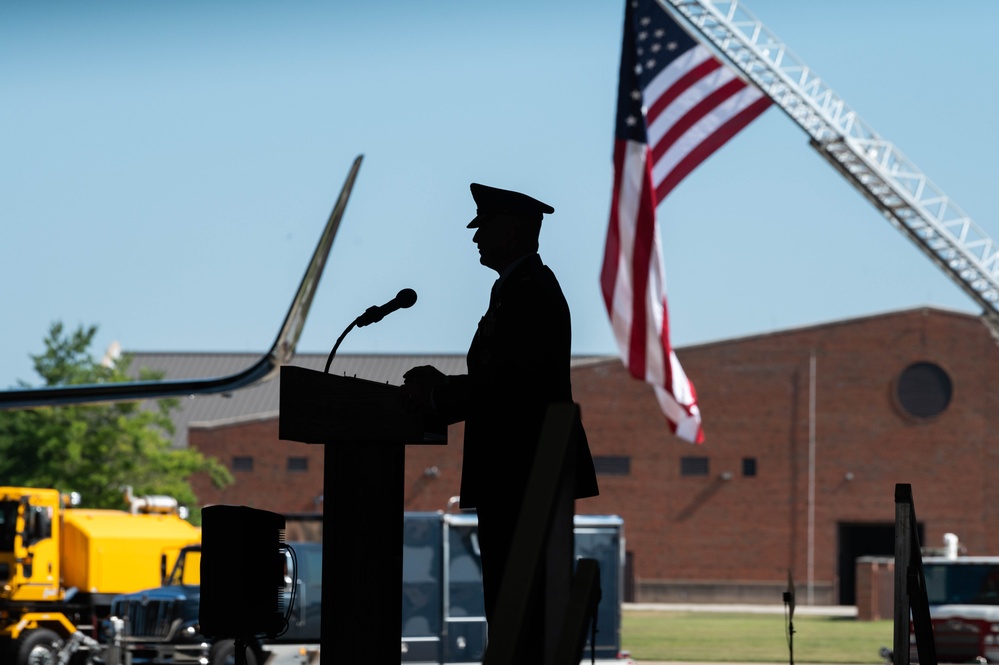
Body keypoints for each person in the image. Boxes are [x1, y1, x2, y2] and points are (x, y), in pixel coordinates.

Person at [402, 182, 599, 642]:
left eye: (483, 227)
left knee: (519, 612)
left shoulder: (529, 293)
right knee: (513, 609)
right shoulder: (515, 290)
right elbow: (501, 378)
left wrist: (432, 398)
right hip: (519, 474)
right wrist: (441, 387)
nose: (474, 238)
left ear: (509, 230)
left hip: (523, 472)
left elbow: (507, 387)